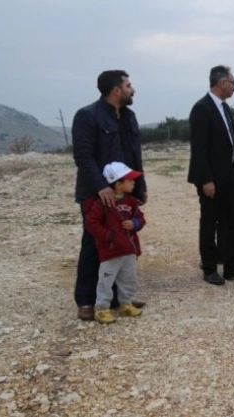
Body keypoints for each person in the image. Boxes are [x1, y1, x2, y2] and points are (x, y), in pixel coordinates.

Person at [72, 70, 147, 321]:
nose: (132, 89)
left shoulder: (129, 117)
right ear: (116, 90)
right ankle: (86, 300)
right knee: (94, 245)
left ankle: (118, 298)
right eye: (128, 85)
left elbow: (134, 155)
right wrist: (100, 187)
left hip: (123, 194)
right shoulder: (87, 116)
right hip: (96, 195)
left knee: (122, 244)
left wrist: (139, 186)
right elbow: (83, 156)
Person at [187, 65, 234, 286]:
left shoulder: (224, 108)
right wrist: (206, 179)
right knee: (210, 222)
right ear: (223, 83)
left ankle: (232, 267)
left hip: (231, 176)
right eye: (233, 83)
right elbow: (199, 149)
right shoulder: (202, 108)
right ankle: (209, 269)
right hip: (211, 179)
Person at [84, 162, 146, 324]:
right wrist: (108, 235)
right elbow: (91, 223)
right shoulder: (101, 203)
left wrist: (135, 224)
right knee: (106, 281)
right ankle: (101, 309)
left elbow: (141, 218)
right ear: (118, 184)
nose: (133, 183)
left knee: (129, 279)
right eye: (130, 180)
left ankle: (126, 304)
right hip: (110, 252)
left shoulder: (131, 201)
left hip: (128, 250)